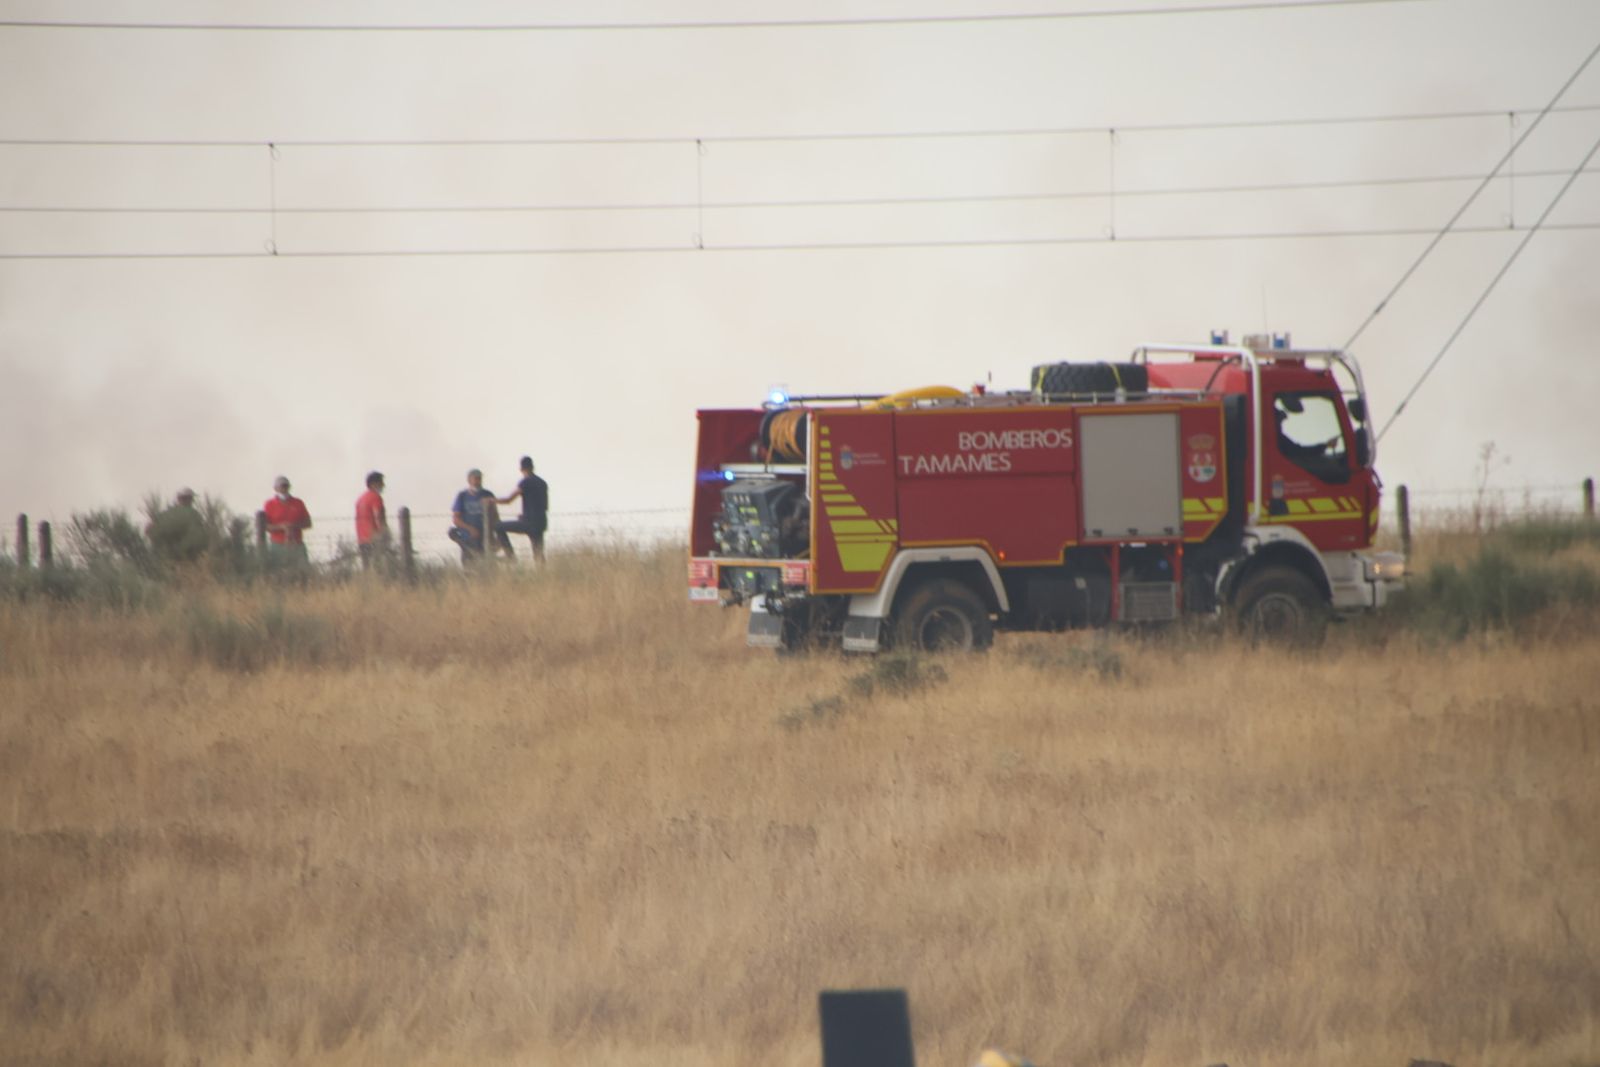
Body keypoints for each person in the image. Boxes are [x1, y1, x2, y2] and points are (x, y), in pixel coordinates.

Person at [449, 468, 512, 562]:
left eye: (479, 479)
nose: (478, 481)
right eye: (475, 479)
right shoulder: (462, 496)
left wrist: (494, 535)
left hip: (485, 535)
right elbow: (456, 518)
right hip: (468, 536)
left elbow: (494, 516)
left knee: (487, 562)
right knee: (469, 563)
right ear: (469, 480)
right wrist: (470, 529)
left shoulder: (487, 494)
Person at [496, 456, 549, 564]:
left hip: (529, 522)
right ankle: (543, 575)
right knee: (538, 553)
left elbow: (508, 500)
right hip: (541, 522)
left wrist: (492, 501)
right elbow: (545, 506)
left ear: (521, 469)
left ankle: (510, 556)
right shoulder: (542, 483)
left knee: (498, 526)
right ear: (532, 467)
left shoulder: (525, 482)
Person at [147, 487, 208, 564]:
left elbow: (148, 529)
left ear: (179, 499)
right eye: (191, 498)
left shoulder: (166, 513)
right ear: (189, 499)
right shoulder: (194, 514)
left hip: (164, 557)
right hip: (186, 557)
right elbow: (198, 537)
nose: (192, 501)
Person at [263, 475, 313, 561]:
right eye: (281, 486)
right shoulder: (269, 504)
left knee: (302, 571)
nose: (284, 489)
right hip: (277, 545)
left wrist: (293, 526)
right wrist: (281, 527)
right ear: (275, 488)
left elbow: (308, 523)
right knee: (278, 572)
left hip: (296, 543)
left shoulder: (298, 503)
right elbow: (266, 526)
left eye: (286, 486)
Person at [354, 470, 390, 569]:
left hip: (362, 540)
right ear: (373, 484)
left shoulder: (360, 499)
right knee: (379, 569)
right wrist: (384, 533)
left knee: (367, 569)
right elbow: (378, 516)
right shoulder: (376, 497)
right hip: (374, 540)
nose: (383, 485)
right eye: (381, 482)